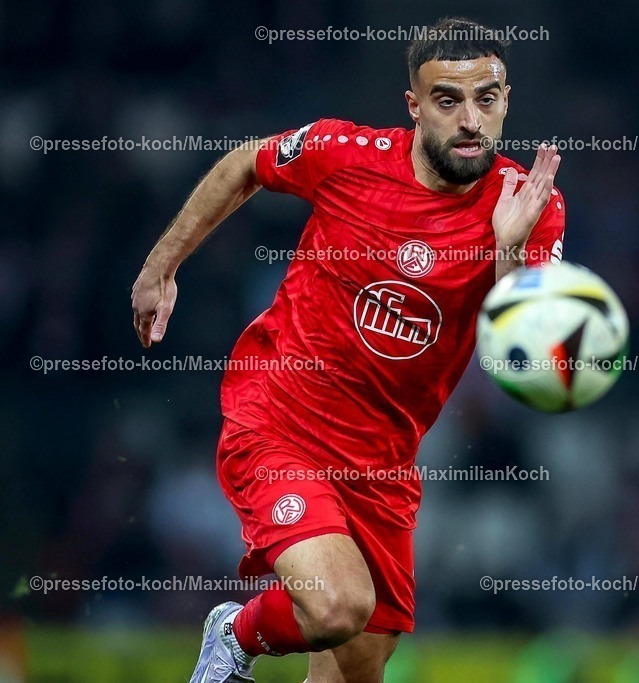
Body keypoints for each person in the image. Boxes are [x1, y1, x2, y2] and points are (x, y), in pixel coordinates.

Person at [130, 17, 564, 683]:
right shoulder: (344, 151)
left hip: (383, 464)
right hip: (280, 421)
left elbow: (525, 365)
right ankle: (234, 632)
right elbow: (248, 161)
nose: (471, 119)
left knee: (355, 670)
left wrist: (508, 251)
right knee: (338, 604)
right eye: (448, 100)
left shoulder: (531, 206)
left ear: (508, 99)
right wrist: (162, 266)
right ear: (414, 107)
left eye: (488, 97)